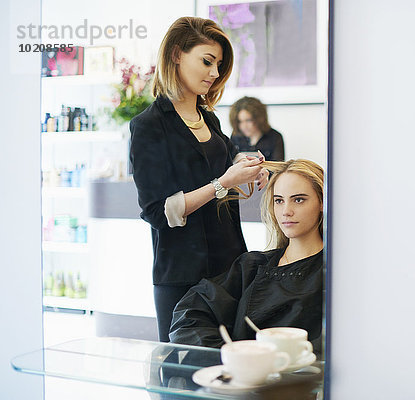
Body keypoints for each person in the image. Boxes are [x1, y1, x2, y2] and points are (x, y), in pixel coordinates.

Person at [129, 17, 268, 342]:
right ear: (177, 55)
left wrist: (247, 165)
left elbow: (228, 160)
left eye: (218, 64)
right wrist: (223, 183)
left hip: (230, 265)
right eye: (206, 61)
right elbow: (158, 211)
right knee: (184, 378)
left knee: (232, 372)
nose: (214, 73)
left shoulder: (209, 118)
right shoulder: (149, 126)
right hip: (181, 274)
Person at [169, 159, 324, 355]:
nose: (286, 211)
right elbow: (189, 315)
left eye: (299, 199)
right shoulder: (251, 267)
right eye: (279, 200)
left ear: (322, 202)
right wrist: (230, 359)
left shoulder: (335, 275)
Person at [229, 96, 285, 161]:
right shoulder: (235, 137)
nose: (244, 126)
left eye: (248, 120)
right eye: (240, 121)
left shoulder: (275, 137)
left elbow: (278, 167)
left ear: (259, 119)